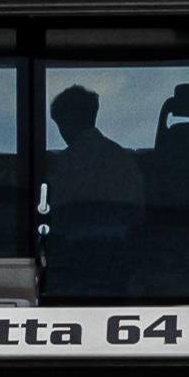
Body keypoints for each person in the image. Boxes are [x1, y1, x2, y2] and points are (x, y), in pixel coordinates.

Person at [47, 83, 143, 265]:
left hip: (79, 254)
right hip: (121, 254)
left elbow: (59, 216)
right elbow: (138, 213)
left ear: (66, 122)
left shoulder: (67, 162)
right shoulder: (122, 158)